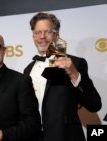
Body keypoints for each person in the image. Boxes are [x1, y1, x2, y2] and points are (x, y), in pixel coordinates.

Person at [24, 12, 102, 141]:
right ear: (33, 37)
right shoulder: (27, 69)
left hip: (65, 136)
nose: (42, 36)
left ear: (57, 35)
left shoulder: (75, 63)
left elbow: (94, 104)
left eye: (47, 32)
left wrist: (73, 73)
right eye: (37, 32)